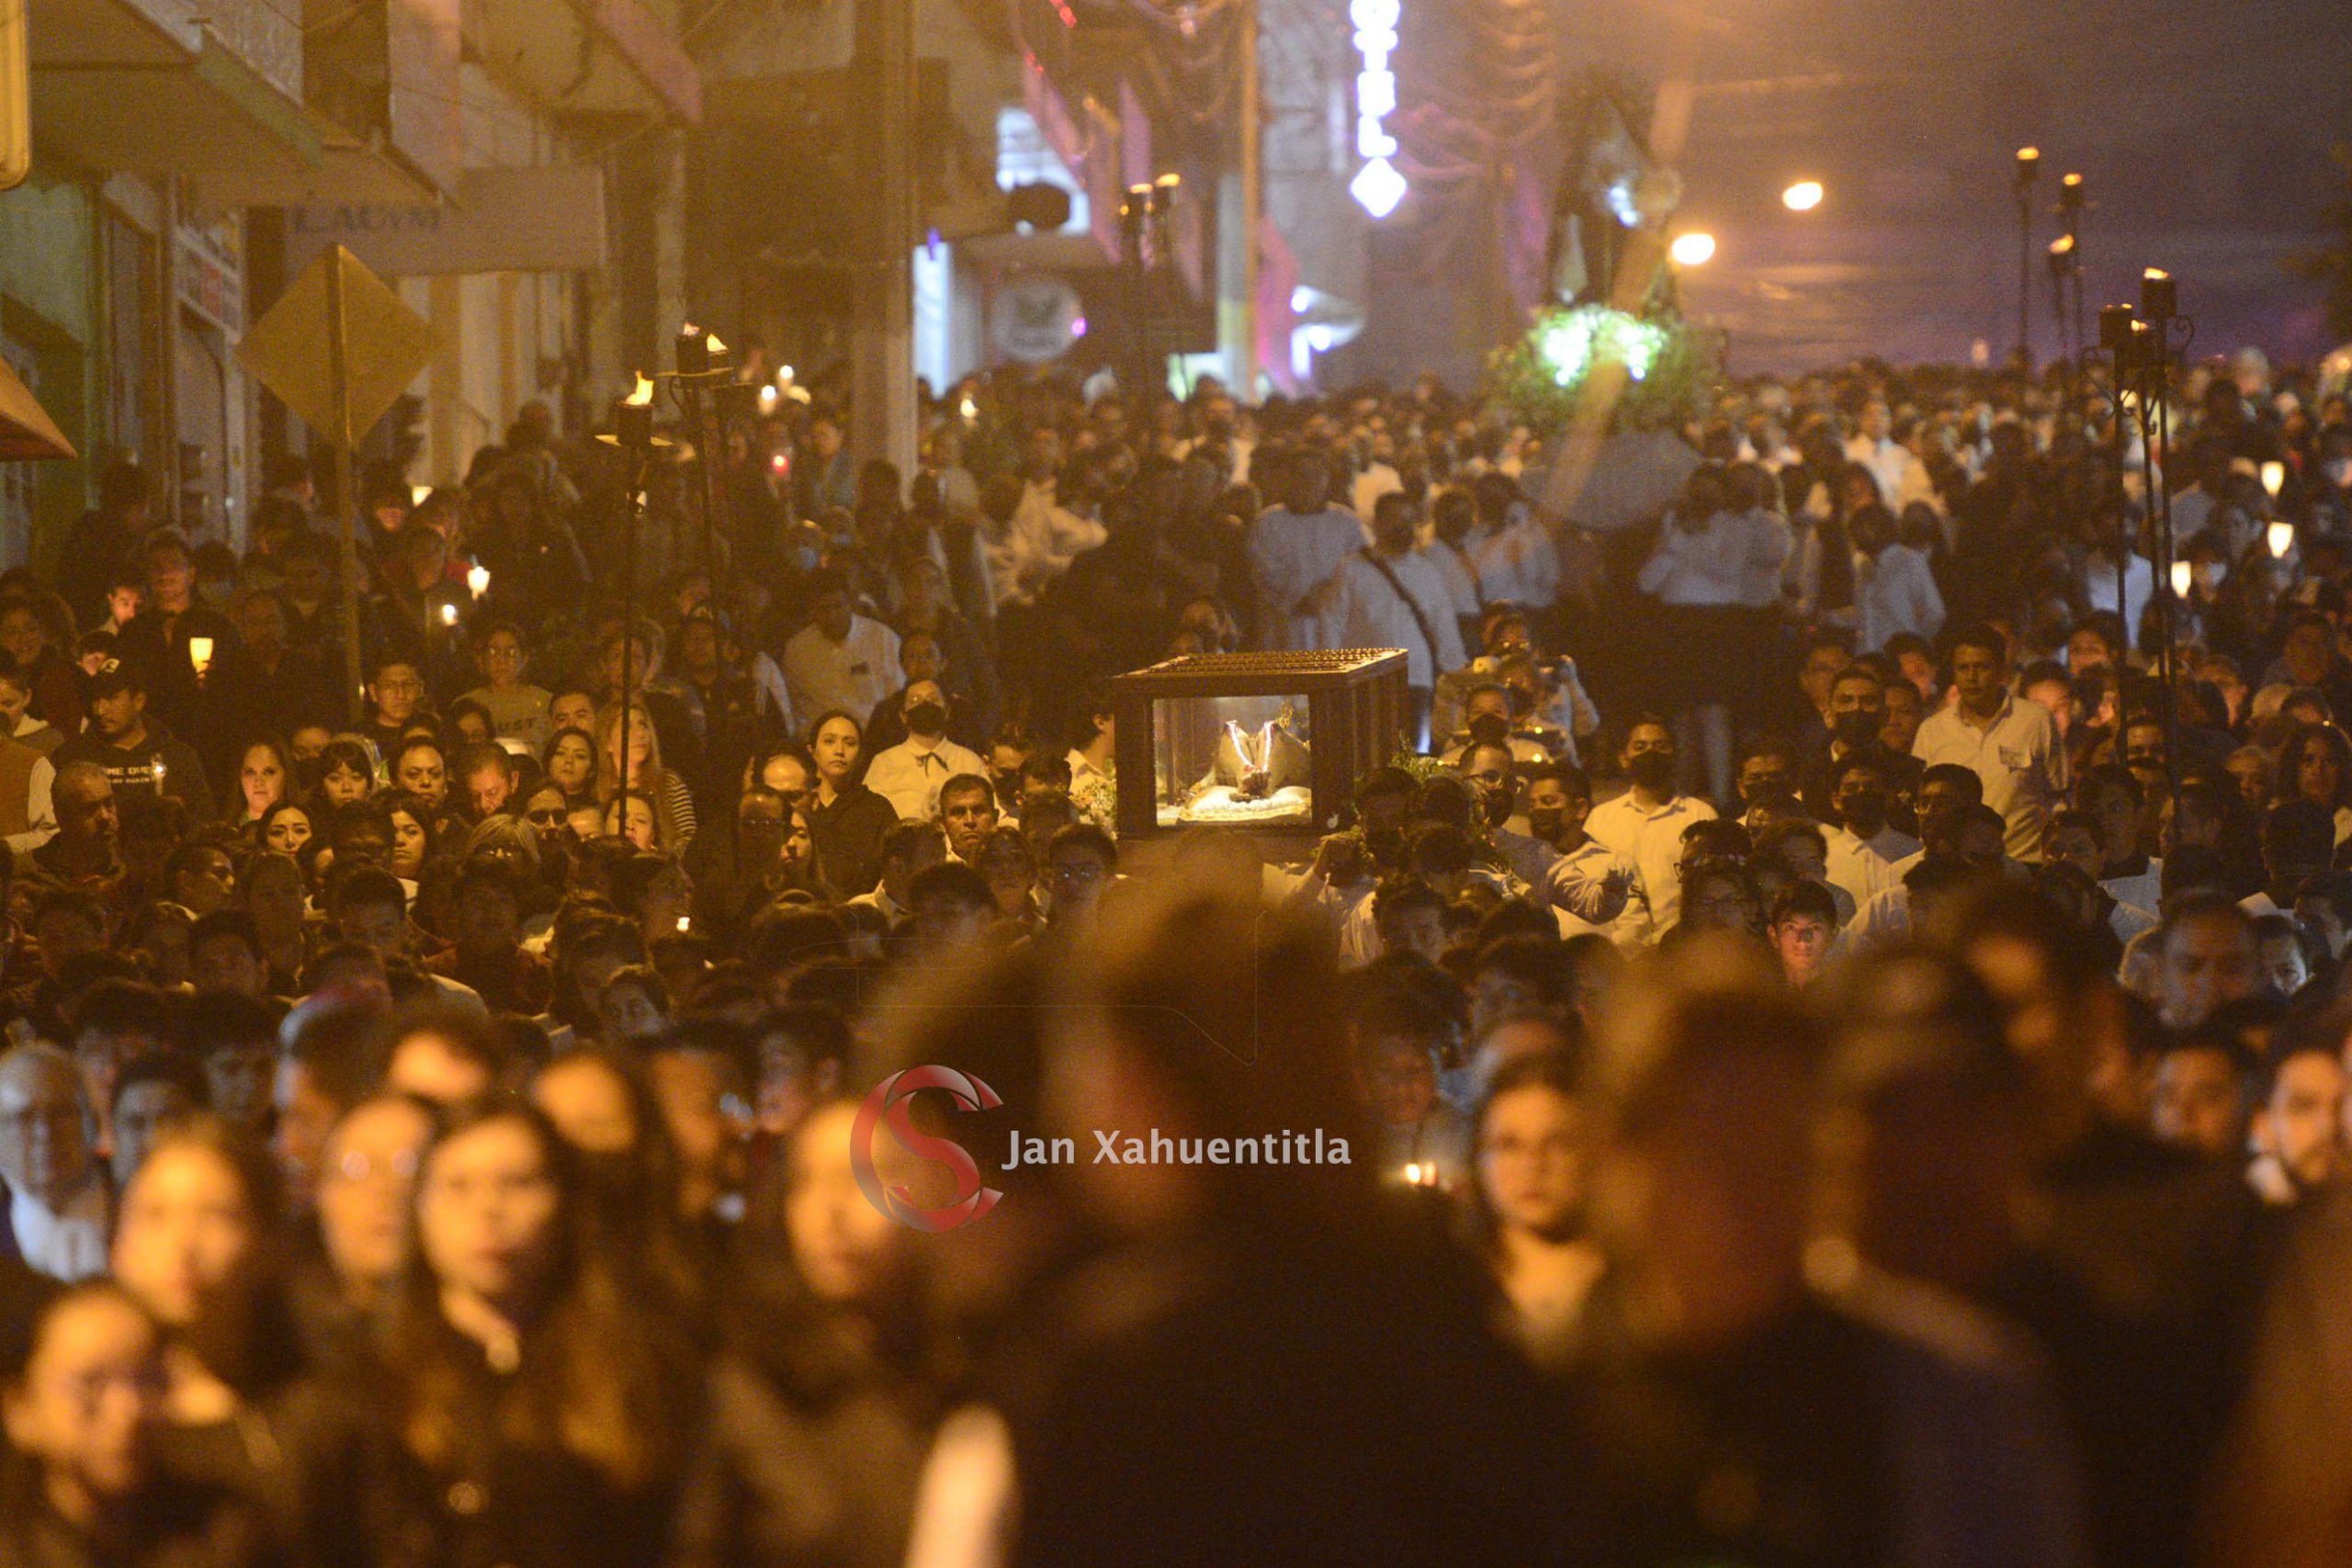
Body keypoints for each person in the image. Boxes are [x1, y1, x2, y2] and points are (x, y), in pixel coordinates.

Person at [363, 1100, 697, 1568]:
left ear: (563, 1202)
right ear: (420, 1208)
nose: (487, 1209)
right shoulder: (370, 1372)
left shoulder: (633, 1367)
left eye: (518, 1183)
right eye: (458, 1187)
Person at [1470, 1048, 1600, 1369]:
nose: (1533, 1164)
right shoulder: (1449, 1288)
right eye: (1508, 1145)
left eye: (1557, 1142)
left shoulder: (1644, 1291)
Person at [1911, 622, 2065, 863]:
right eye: (1963, 668)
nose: (1972, 677)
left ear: (2001, 670)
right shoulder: (1932, 731)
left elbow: (2059, 797)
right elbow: (1922, 807)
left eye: (1982, 667)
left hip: (2021, 864)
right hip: (1954, 869)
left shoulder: (2035, 721)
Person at [1584, 716, 1714, 940]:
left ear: (1674, 754)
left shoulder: (1701, 815)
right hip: (1618, 951)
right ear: (1624, 758)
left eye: (1660, 746)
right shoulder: (1601, 818)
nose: (1650, 752)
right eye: (1640, 747)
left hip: (1680, 948)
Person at [51, 662, 213, 823]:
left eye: (111, 698)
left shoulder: (178, 756)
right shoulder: (71, 757)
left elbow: (205, 820)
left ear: (138, 701)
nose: (100, 710)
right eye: (96, 699)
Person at [0, 1044, 110, 1280]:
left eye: (61, 1113)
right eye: (24, 1117)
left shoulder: (138, 1205)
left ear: (92, 1120)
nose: (44, 1133)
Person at [783, 570, 902, 727]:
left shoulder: (883, 639)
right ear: (812, 609)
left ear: (850, 603)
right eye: (823, 609)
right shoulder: (797, 650)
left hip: (875, 736)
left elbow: (898, 695)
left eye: (838, 607)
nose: (832, 616)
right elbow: (796, 708)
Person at [803, 710, 896, 903]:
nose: (839, 750)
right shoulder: (801, 805)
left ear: (861, 755)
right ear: (812, 751)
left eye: (850, 743)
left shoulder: (877, 809)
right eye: (829, 741)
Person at [862, 681, 984, 822]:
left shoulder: (969, 760)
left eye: (933, 699)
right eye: (915, 700)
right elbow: (868, 816)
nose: (925, 704)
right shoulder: (884, 762)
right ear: (903, 715)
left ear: (947, 711)